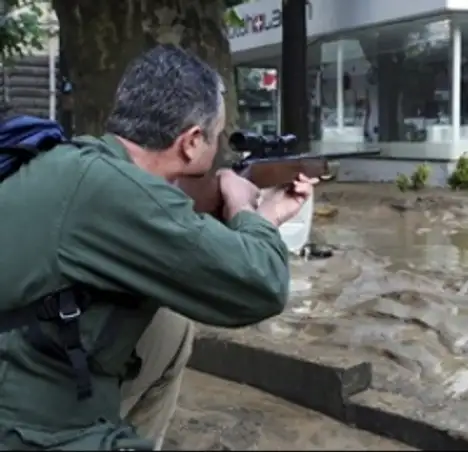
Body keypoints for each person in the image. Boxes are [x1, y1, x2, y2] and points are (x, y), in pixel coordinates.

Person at [0, 44, 317, 450]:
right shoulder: (115, 193)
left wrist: (253, 214)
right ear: (191, 142)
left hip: (28, 358)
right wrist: (250, 211)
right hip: (24, 419)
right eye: (217, 137)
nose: (219, 148)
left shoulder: (81, 163)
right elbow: (262, 286)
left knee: (169, 328)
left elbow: (183, 247)